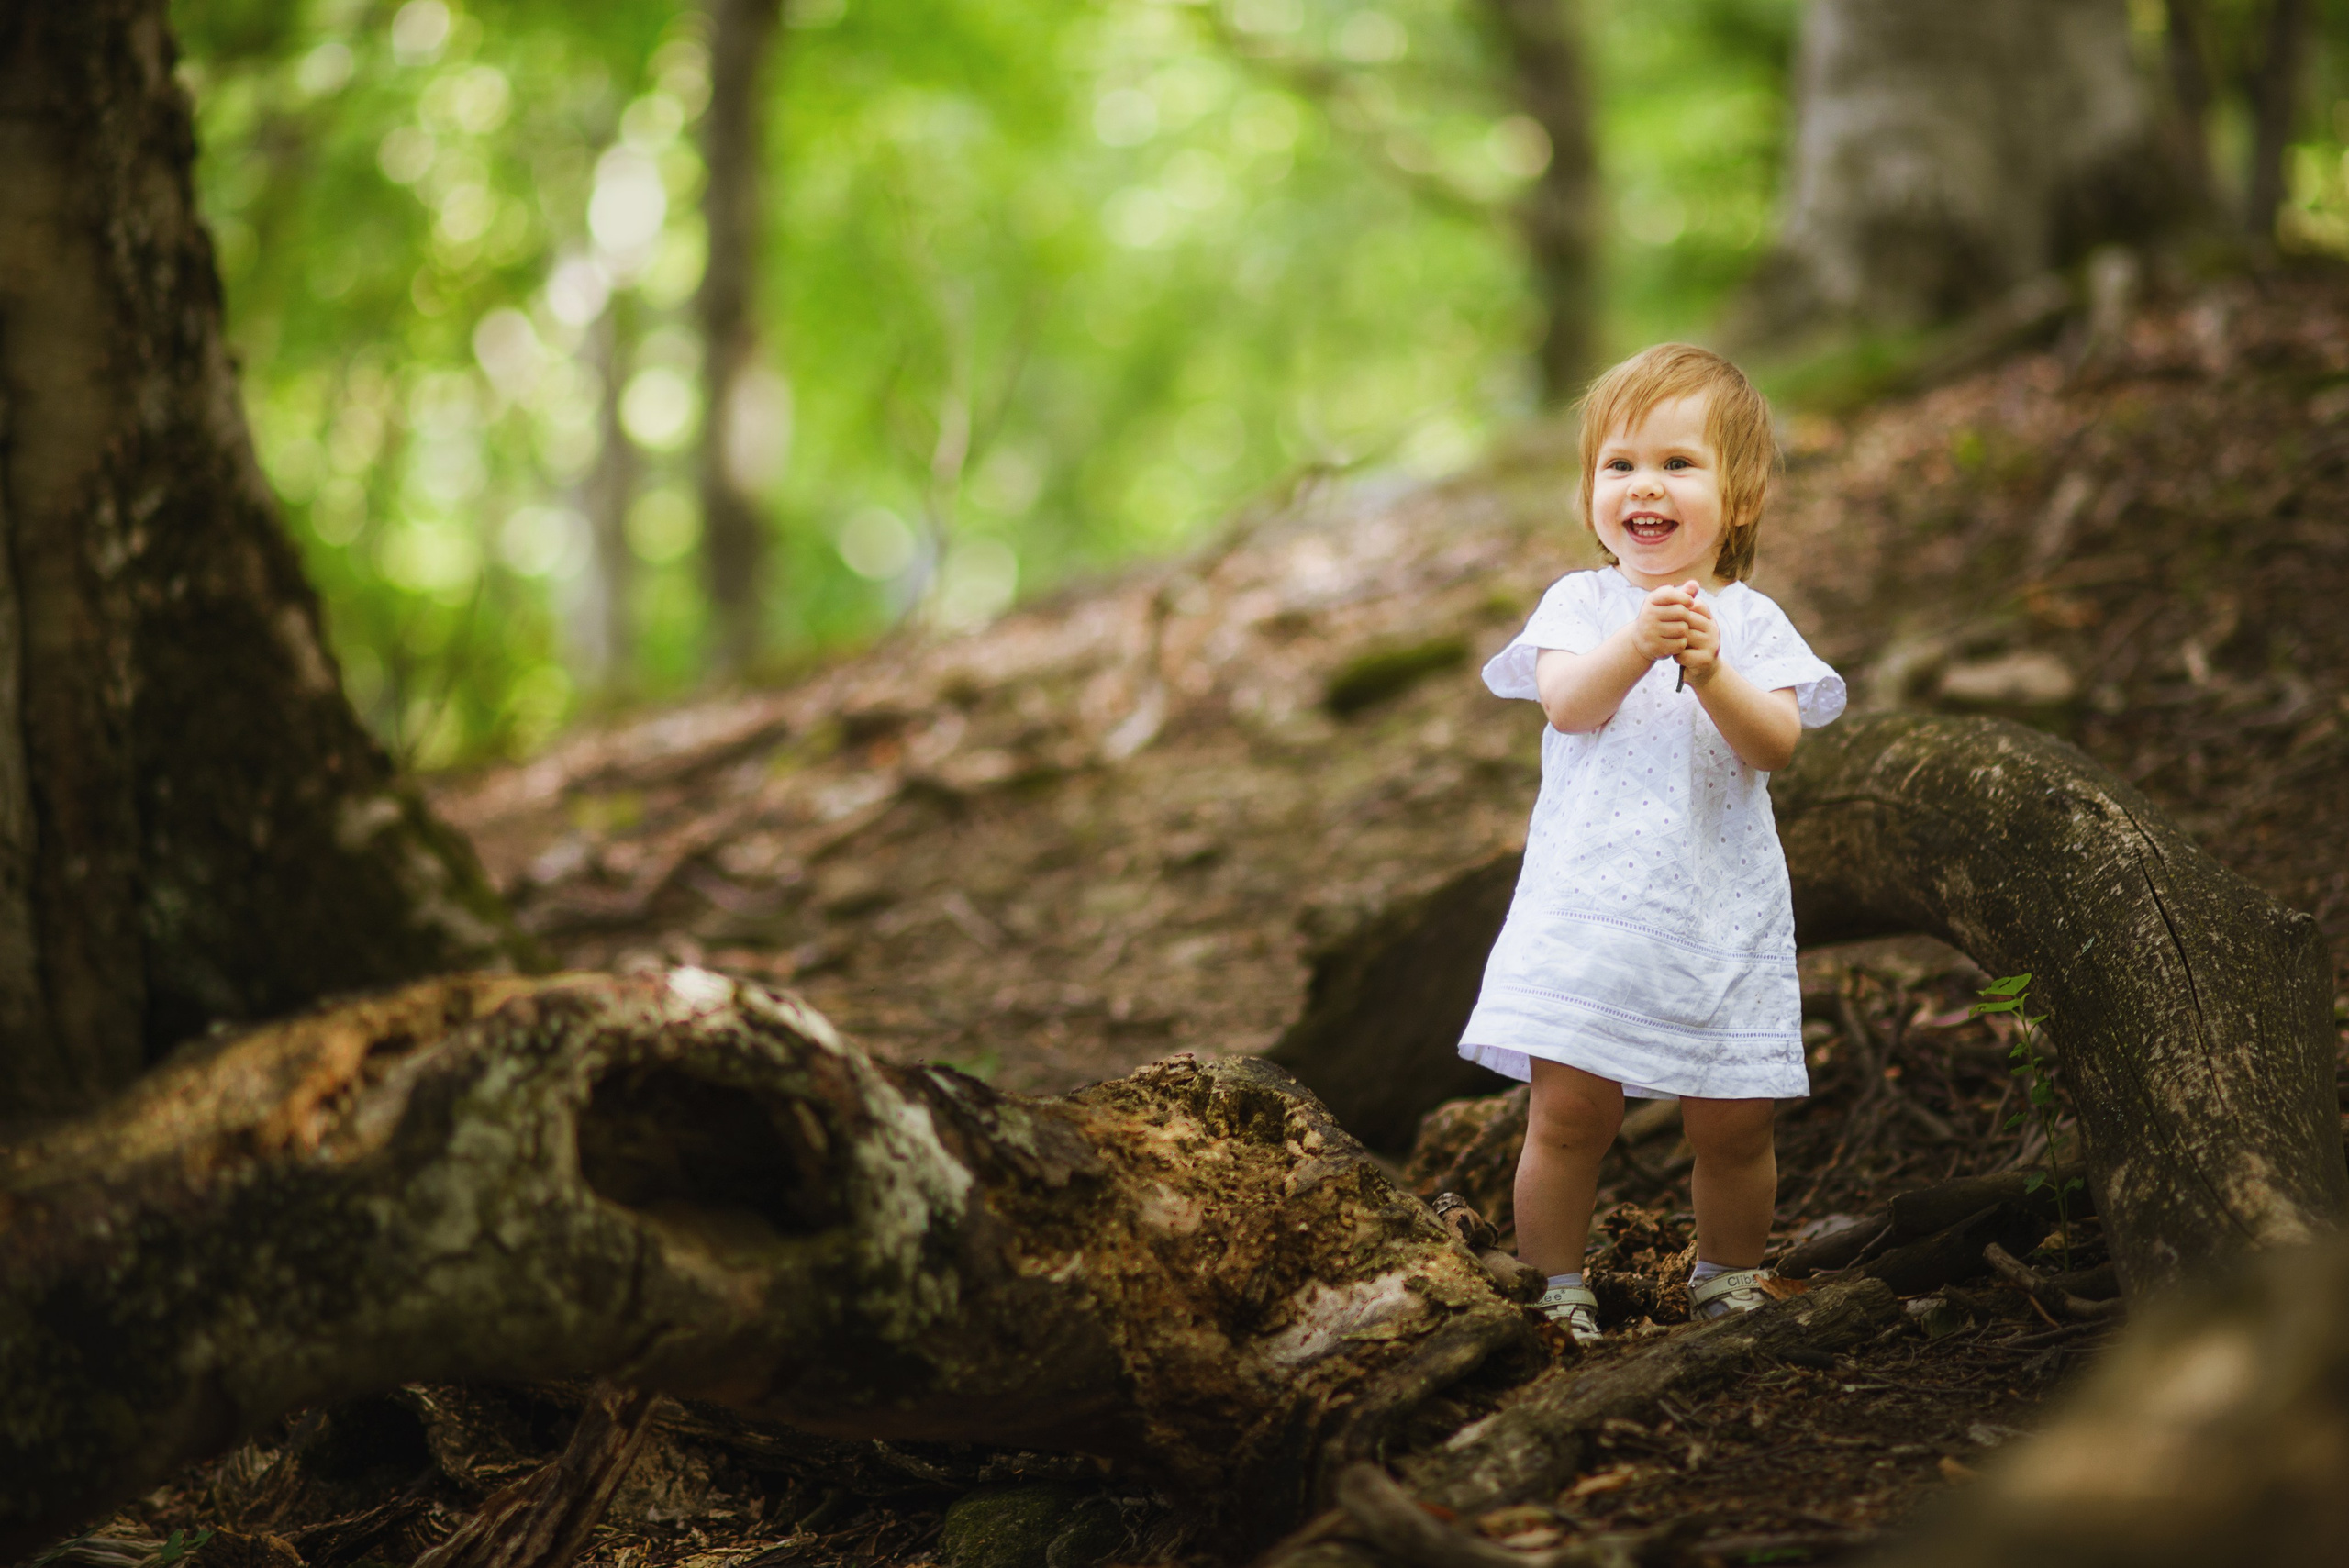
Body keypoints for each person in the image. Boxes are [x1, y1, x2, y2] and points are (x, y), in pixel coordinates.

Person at [1459, 343, 1845, 1344]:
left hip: (1717, 905)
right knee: (1569, 1113)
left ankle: (1728, 1275)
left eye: (1678, 463)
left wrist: (1713, 668)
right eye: (1619, 463)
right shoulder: (1579, 605)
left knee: (1733, 1117)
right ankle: (1554, 1286)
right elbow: (1568, 705)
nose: (1645, 486)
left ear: (1742, 496)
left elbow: (1778, 744)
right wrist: (1637, 641)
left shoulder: (1751, 622)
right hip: (1589, 903)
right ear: (1589, 488)